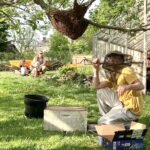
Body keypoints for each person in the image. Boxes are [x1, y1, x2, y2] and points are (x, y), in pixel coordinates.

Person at [92, 51, 144, 125]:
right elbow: (97, 86)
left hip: (130, 109)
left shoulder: (126, 70)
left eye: (116, 58)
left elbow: (141, 86)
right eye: (111, 58)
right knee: (100, 91)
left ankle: (129, 123)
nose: (112, 60)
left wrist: (127, 87)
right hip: (120, 104)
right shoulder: (114, 73)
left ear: (121, 60)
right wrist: (95, 69)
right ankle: (106, 117)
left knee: (102, 122)